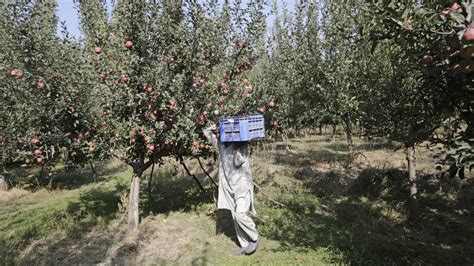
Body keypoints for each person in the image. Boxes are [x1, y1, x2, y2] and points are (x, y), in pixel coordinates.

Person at [203, 124, 260, 255]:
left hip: (241, 186)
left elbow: (238, 162)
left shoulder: (242, 147)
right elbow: (206, 131)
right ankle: (244, 245)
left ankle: (255, 237)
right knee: (235, 217)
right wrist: (217, 127)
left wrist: (239, 144)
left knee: (240, 215)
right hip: (229, 187)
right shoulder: (221, 145)